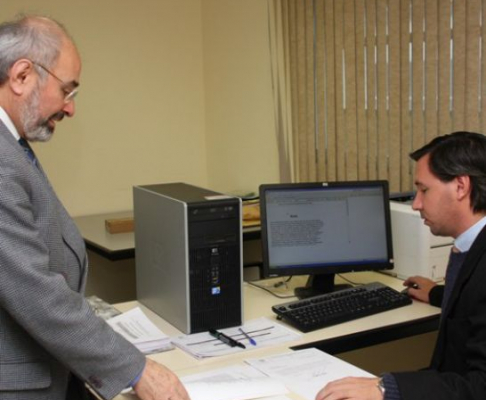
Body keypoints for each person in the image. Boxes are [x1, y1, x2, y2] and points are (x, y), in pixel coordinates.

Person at [0, 15, 190, 400]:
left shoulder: (13, 147)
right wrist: (136, 369)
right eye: (66, 91)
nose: (69, 109)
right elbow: (36, 294)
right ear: (21, 76)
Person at [315, 131, 486, 400]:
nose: (416, 204)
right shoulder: (471, 244)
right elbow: (476, 309)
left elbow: (481, 386)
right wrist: (438, 294)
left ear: (461, 187)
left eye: (424, 190)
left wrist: (386, 389)